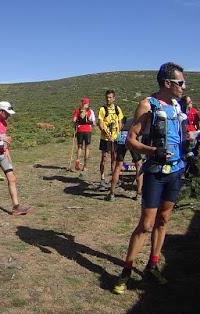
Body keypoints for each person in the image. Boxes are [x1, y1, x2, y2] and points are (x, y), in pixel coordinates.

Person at [113, 62, 187, 294]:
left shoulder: (177, 105)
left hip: (176, 171)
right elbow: (131, 139)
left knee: (163, 221)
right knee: (145, 225)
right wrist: (153, 151)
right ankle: (126, 270)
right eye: (180, 83)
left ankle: (152, 266)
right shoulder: (147, 105)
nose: (184, 87)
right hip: (155, 172)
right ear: (167, 83)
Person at [105, 117, 143, 201]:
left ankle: (112, 193)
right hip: (131, 136)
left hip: (122, 136)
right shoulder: (139, 120)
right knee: (139, 165)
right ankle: (139, 194)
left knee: (118, 166)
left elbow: (119, 126)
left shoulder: (125, 120)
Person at [98, 90, 124, 188]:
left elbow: (120, 122)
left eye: (110, 97)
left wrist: (117, 134)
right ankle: (102, 178)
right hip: (105, 139)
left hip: (116, 138)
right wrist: (108, 136)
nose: (108, 99)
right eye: (107, 97)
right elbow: (100, 124)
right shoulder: (102, 109)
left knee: (114, 158)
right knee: (104, 158)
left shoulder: (117, 109)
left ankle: (114, 178)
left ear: (114, 98)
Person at [73, 98, 96, 172]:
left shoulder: (77, 110)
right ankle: (85, 166)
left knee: (80, 147)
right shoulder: (90, 111)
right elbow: (94, 123)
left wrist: (76, 124)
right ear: (88, 103)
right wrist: (91, 124)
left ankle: (78, 160)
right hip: (87, 131)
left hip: (80, 130)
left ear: (82, 103)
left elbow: (74, 120)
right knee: (87, 148)